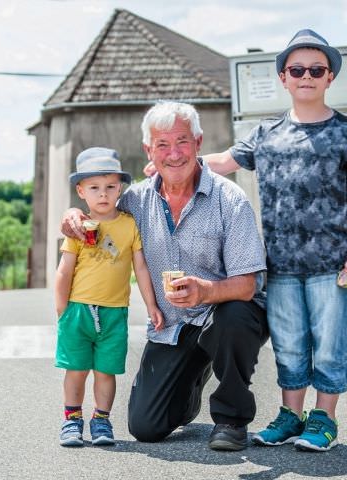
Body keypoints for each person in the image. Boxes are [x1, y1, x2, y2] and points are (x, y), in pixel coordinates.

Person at [61, 102, 269, 451]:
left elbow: (249, 285)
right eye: (162, 145)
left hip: (221, 316)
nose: (174, 154)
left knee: (235, 317)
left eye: (183, 141)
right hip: (171, 327)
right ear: (148, 150)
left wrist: (205, 290)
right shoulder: (135, 201)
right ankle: (193, 380)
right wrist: (71, 214)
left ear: (199, 142)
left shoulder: (229, 199)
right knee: (146, 427)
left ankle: (232, 419)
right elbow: (97, 210)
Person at [198, 29, 346, 452]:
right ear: (283, 77)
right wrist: (173, 164)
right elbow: (223, 161)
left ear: (329, 77)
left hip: (332, 265)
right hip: (279, 265)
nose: (306, 76)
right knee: (290, 345)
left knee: (331, 348)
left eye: (316, 69)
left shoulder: (344, 132)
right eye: (296, 69)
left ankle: (325, 419)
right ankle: (290, 415)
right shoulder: (266, 134)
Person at [55, 147, 164, 448]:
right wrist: (62, 308)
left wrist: (151, 304)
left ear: (120, 188)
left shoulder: (129, 224)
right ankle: (72, 419)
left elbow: (140, 266)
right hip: (78, 310)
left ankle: (101, 419)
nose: (103, 194)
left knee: (106, 371)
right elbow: (64, 270)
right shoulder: (78, 228)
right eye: (94, 188)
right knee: (76, 369)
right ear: (81, 191)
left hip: (115, 312)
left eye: (110, 187)